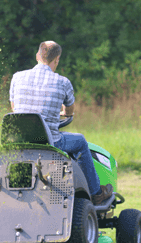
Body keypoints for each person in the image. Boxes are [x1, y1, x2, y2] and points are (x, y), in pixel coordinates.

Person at [9, 41, 113, 205]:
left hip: (21, 141)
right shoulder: (63, 82)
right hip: (50, 142)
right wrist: (64, 113)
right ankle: (96, 193)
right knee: (80, 141)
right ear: (56, 60)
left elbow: (15, 110)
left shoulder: (17, 77)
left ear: (38, 55)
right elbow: (70, 111)